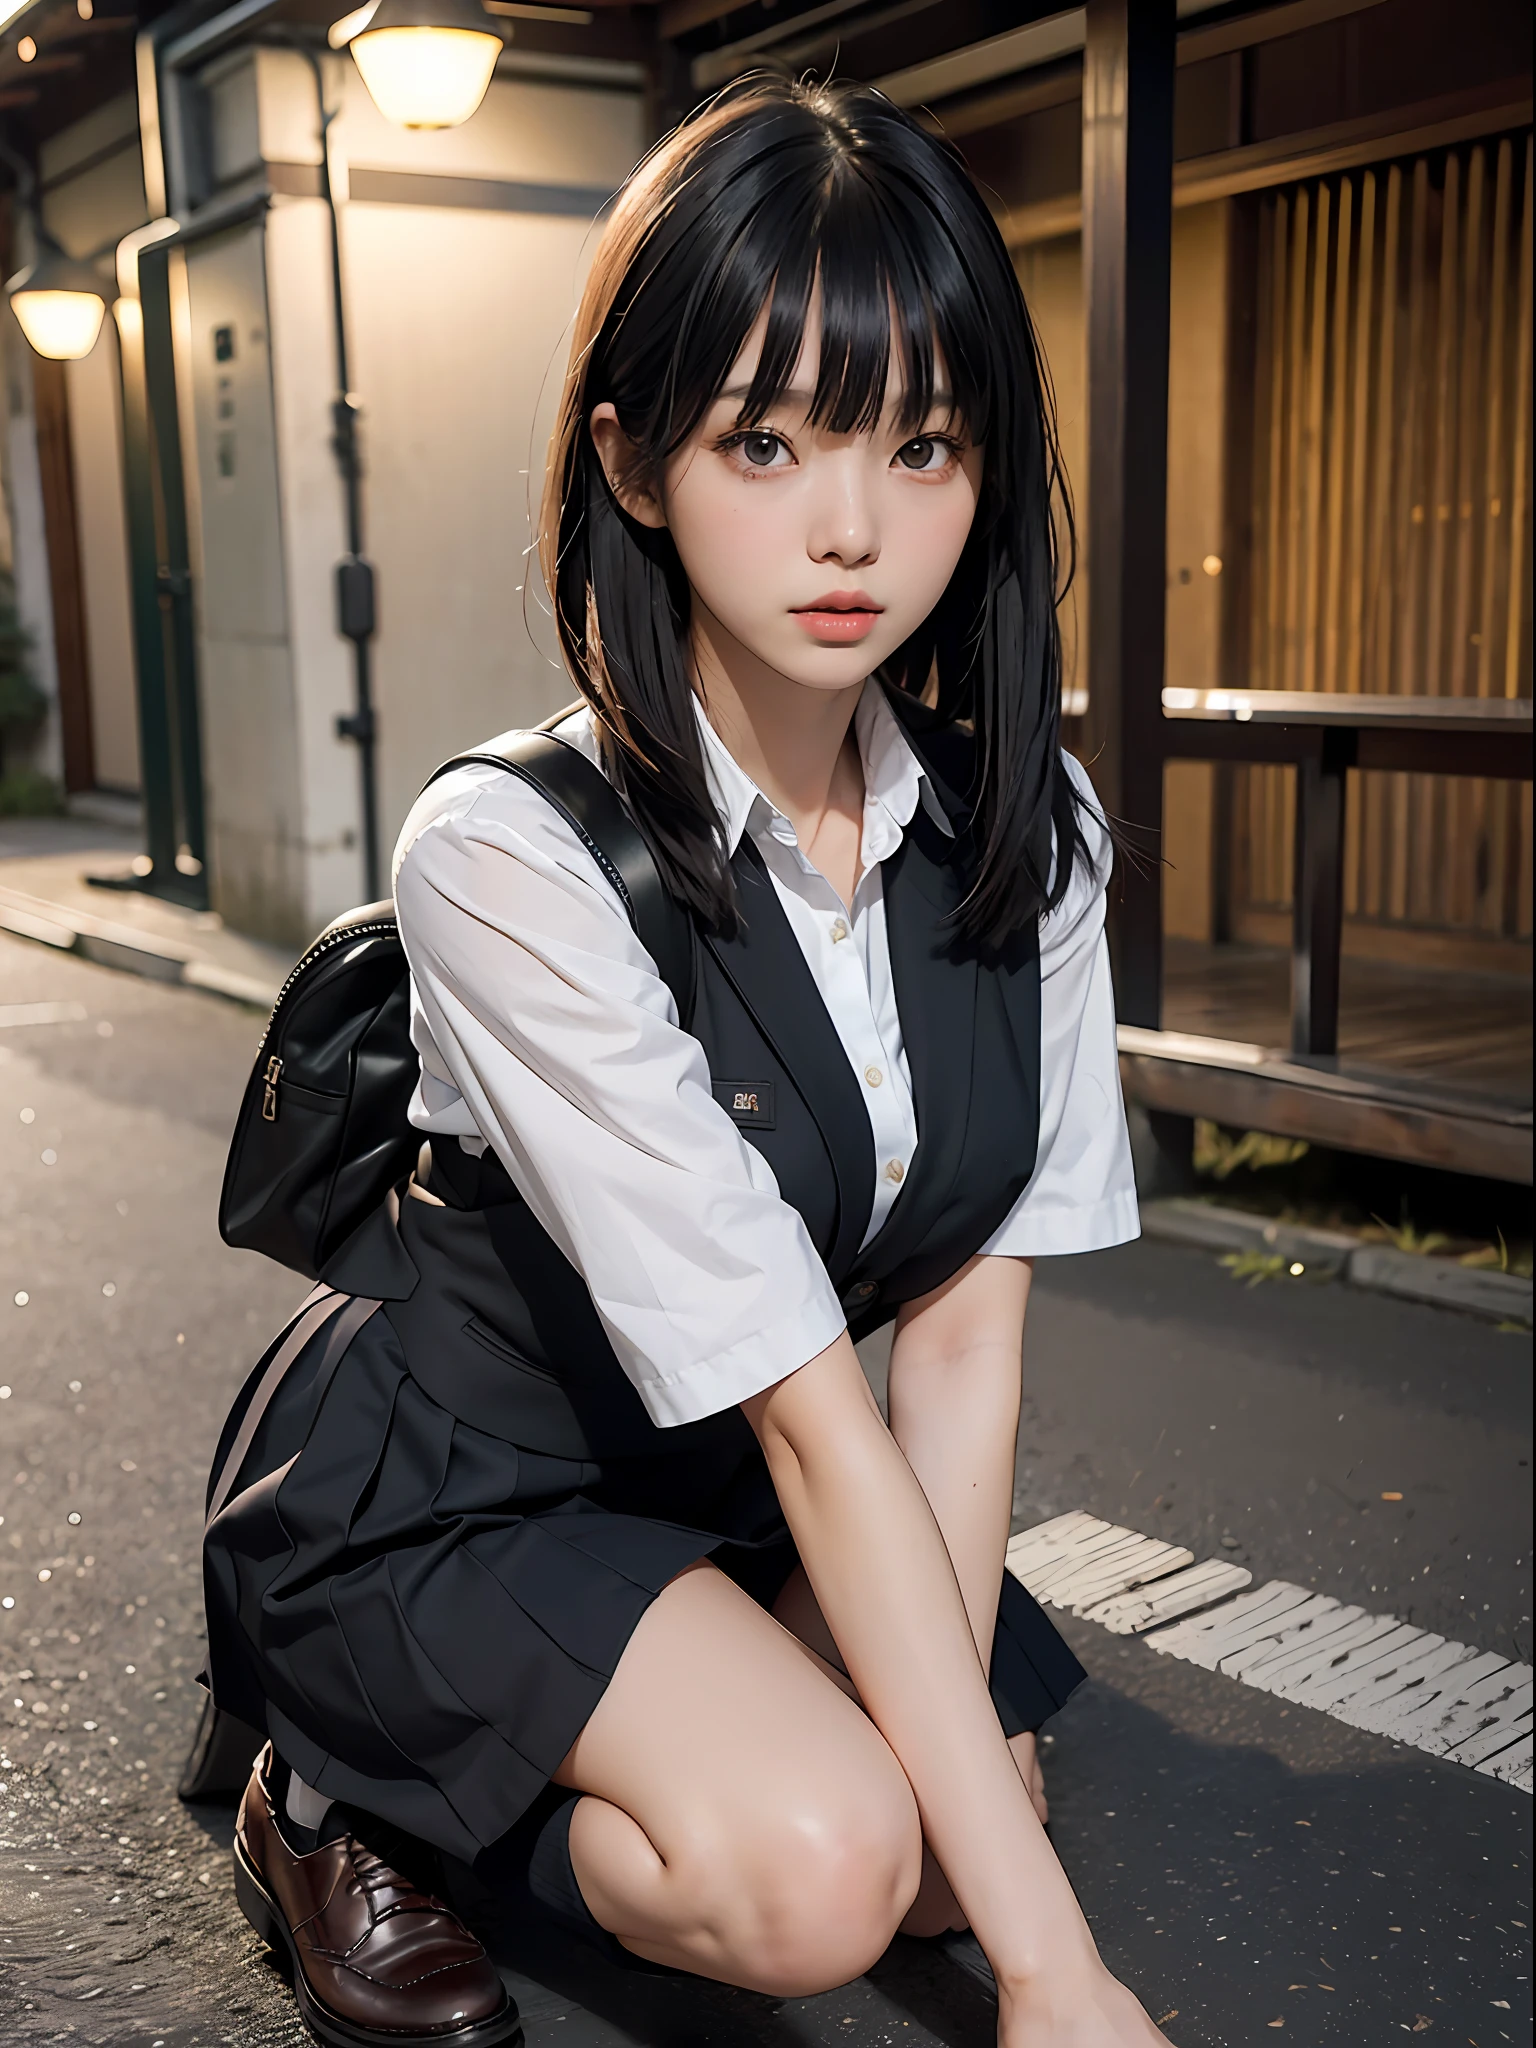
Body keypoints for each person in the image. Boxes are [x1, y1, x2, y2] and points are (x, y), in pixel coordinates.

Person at [201, 74, 1169, 2048]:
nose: (852, 528)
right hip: (479, 1479)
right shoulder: (510, 855)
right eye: (767, 440)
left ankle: (713, 1749)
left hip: (731, 1476)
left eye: (920, 444)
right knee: (830, 1869)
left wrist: (962, 1804)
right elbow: (830, 1410)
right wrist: (1052, 1968)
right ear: (633, 464)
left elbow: (961, 1359)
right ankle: (338, 1789)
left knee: (936, 1816)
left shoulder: (1026, 829)